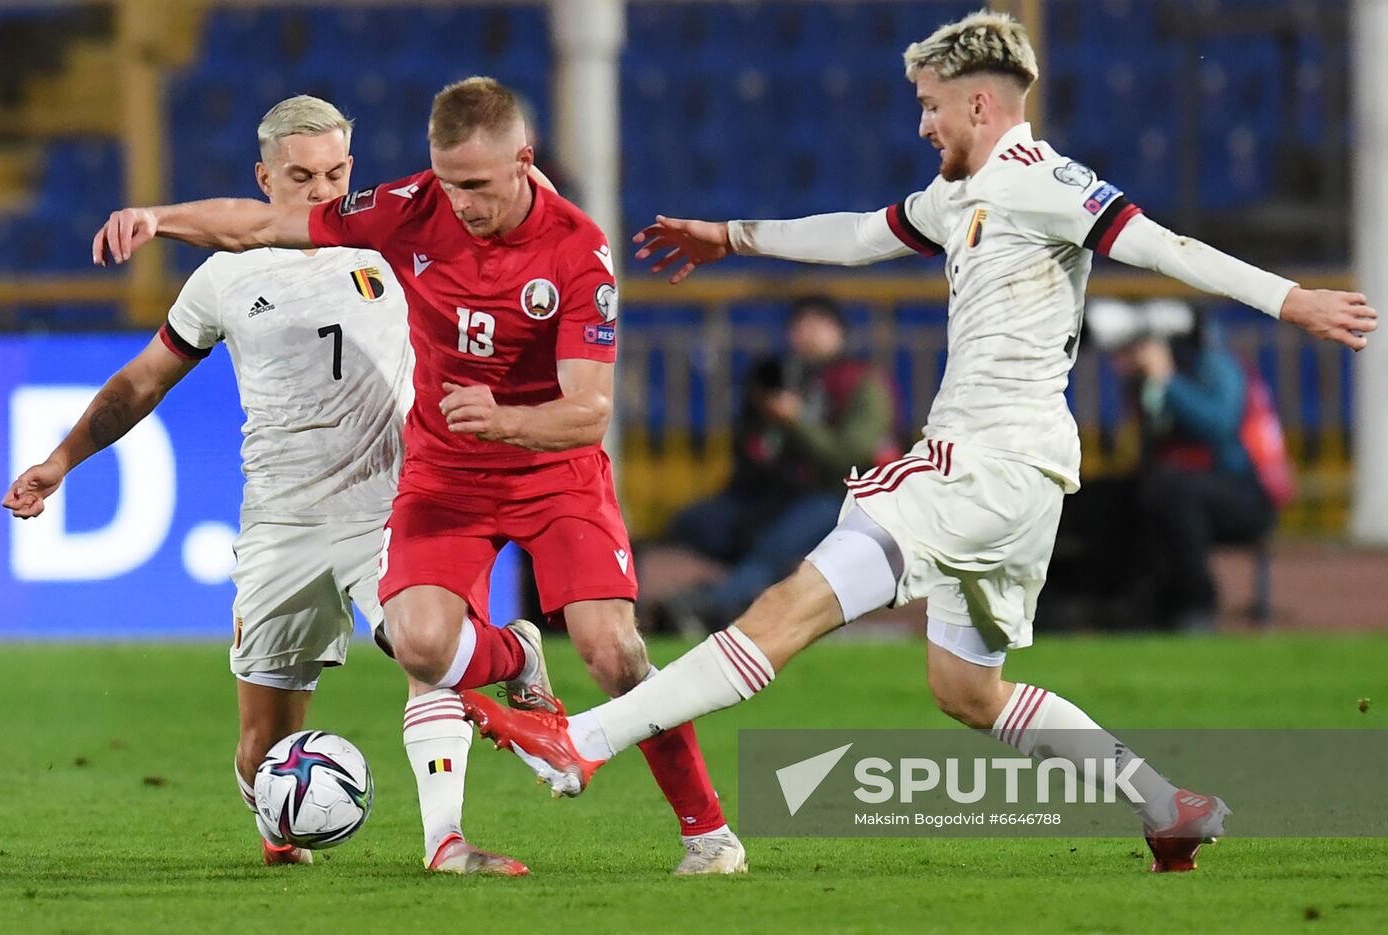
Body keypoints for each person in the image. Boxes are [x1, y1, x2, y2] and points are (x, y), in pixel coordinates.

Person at [451, 11, 1377, 874]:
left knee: (789, 606)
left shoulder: (1043, 179)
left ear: (980, 102)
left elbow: (1165, 246)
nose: (925, 127)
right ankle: (1162, 802)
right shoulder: (958, 197)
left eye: (932, 108)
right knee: (966, 689)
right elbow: (857, 235)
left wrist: (1289, 299)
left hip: (977, 460)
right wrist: (731, 236)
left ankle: (585, 741)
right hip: (1024, 485)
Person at [90, 77, 746, 875]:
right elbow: (261, 222)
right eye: (447, 180)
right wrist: (159, 219)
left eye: (475, 185)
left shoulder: (578, 250)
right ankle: (513, 671)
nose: (459, 202)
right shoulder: (406, 208)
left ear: (523, 164)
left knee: (613, 654)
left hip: (553, 470)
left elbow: (588, 414)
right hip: (445, 477)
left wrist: (500, 416)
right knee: (423, 645)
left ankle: (707, 832)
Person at [4, 95, 536, 874]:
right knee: (262, 751)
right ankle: (288, 823)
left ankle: (446, 839)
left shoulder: (396, 246)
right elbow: (143, 382)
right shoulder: (224, 277)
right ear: (264, 177)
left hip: (390, 505)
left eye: (334, 173)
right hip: (279, 524)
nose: (321, 190)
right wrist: (60, 460)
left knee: (426, 654)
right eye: (300, 175)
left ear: (350, 170)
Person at [655, 295, 898, 633]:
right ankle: (736, 590)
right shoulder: (782, 374)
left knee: (773, 545)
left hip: (839, 495)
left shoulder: (862, 381)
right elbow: (754, 450)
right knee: (698, 523)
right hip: (775, 491)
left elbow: (849, 456)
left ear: (839, 332)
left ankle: (714, 606)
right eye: (801, 325)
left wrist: (795, 420)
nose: (807, 334)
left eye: (818, 325)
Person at [1051, 303, 1284, 631]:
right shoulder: (1142, 384)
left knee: (1169, 490)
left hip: (1246, 495)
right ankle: (1100, 602)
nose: (1120, 363)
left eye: (1131, 350)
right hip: (1182, 488)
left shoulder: (1216, 367)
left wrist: (1167, 381)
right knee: (1096, 497)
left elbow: (1218, 427)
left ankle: (1196, 604)